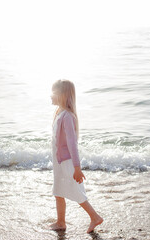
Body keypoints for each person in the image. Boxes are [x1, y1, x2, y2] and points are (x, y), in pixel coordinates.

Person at [49, 79, 103, 233]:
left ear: (62, 95)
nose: (50, 96)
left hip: (67, 162)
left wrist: (77, 168)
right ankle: (61, 222)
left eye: (53, 92)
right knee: (58, 191)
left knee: (76, 191)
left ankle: (95, 217)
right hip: (59, 162)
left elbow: (72, 144)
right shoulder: (59, 112)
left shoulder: (67, 116)